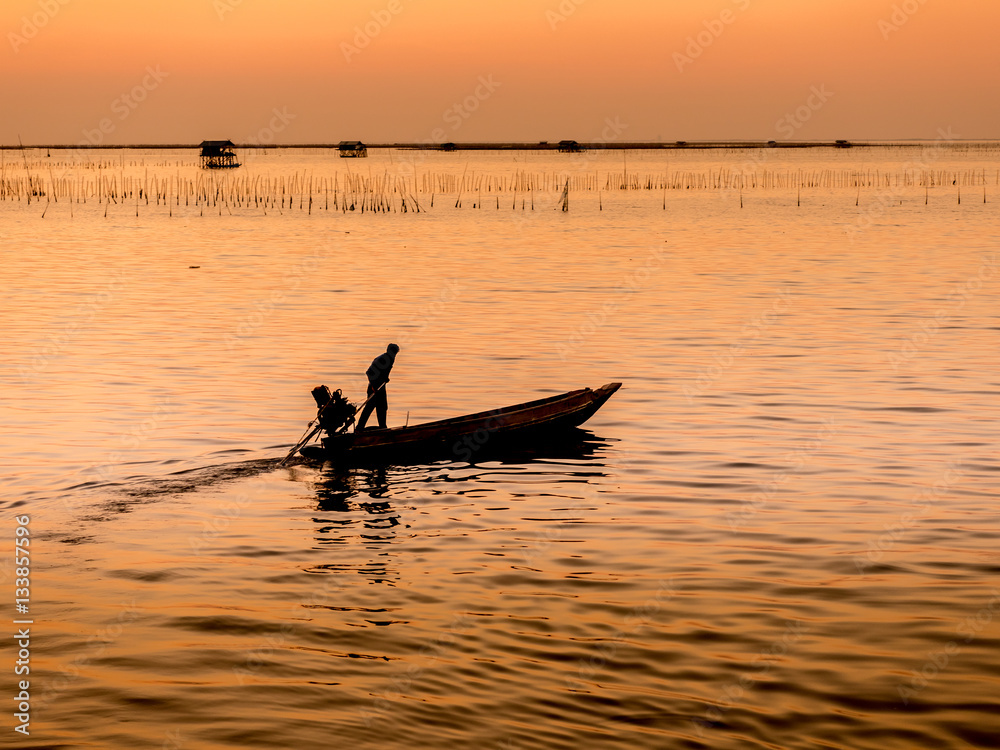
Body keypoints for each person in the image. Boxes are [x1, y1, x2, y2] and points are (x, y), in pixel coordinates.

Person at [356, 343, 399, 431]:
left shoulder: (390, 359)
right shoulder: (383, 359)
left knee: (382, 407)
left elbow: (382, 372)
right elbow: (369, 372)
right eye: (394, 352)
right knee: (369, 407)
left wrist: (385, 378)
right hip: (374, 388)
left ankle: (383, 427)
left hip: (381, 387)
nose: (395, 355)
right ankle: (359, 428)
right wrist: (373, 386)